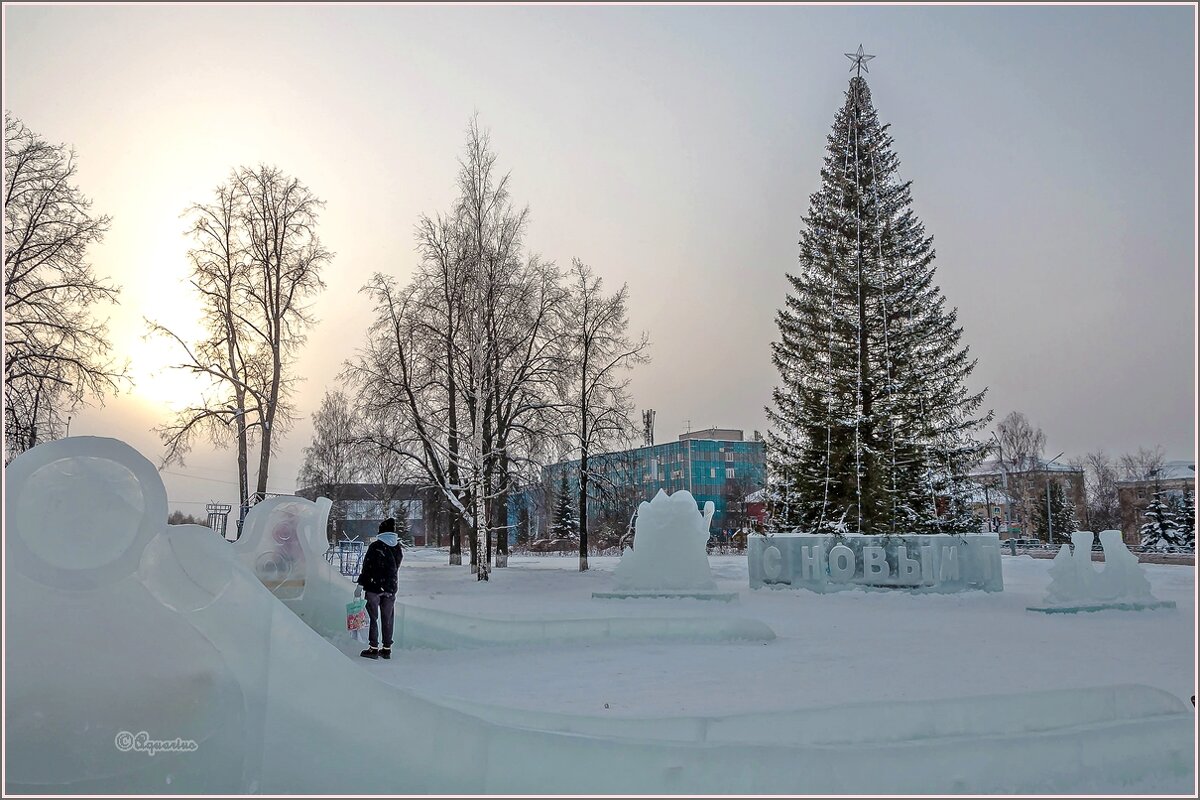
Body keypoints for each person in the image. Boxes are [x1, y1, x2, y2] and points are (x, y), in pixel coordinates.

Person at [355, 518, 403, 659]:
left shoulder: (375, 546)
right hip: (390, 588)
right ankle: (387, 648)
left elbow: (367, 568)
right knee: (388, 618)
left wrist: (360, 585)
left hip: (373, 588)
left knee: (372, 618)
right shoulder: (397, 548)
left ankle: (373, 648)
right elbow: (396, 567)